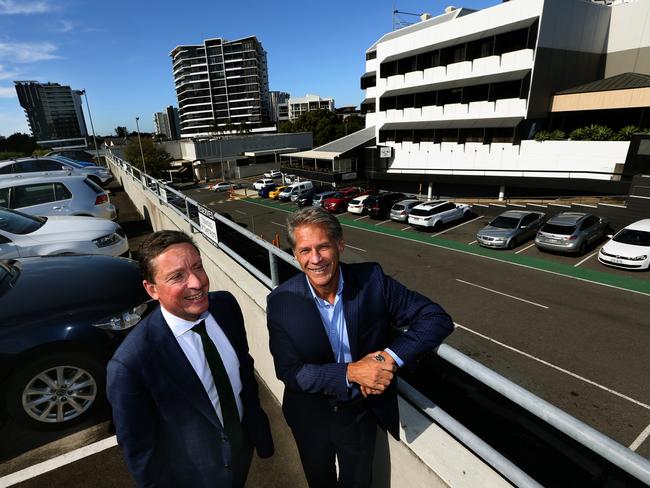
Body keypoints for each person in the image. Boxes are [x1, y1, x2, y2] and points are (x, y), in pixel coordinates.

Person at [266, 207, 454, 488]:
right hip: (308, 414)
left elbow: (436, 318)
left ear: (340, 245)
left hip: (359, 412)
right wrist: (352, 373)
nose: (315, 259)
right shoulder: (280, 302)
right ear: (295, 254)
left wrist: (389, 357)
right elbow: (290, 371)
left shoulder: (372, 280)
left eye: (323, 247)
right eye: (305, 250)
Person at [107, 230, 273, 488]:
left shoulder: (225, 306)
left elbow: (244, 372)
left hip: (243, 453)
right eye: (177, 276)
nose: (196, 283)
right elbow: (141, 451)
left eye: (198, 267)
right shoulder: (131, 364)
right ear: (151, 289)